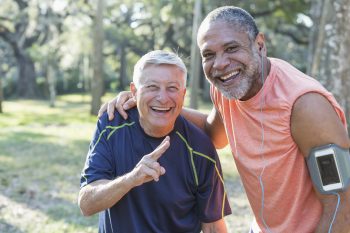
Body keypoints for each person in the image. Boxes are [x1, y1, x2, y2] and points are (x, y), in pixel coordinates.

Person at [99, 6, 350, 233]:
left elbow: (340, 202)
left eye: (232, 48)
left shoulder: (305, 105)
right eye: (209, 54)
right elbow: (215, 134)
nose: (220, 64)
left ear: (259, 44)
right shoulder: (226, 91)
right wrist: (153, 103)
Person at [79, 50, 231, 233]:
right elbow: (86, 204)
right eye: (152, 87)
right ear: (134, 91)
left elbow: (213, 226)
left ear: (183, 94)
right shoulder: (112, 125)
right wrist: (131, 179)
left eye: (172, 88)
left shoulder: (200, 148)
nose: (162, 97)